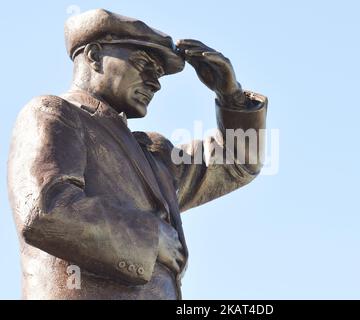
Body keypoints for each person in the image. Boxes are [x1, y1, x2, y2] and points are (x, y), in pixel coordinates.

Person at [8, 8, 267, 299]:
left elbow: (237, 163)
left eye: (158, 74)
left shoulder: (153, 154)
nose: (155, 83)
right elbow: (45, 210)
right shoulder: (53, 113)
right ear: (94, 56)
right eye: (143, 64)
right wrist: (151, 237)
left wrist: (231, 95)